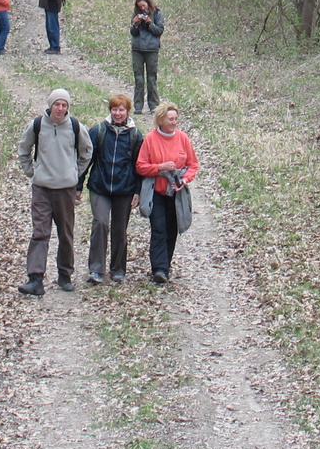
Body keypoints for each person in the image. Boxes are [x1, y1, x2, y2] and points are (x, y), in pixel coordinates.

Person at [15, 88, 93, 295]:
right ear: (50, 105)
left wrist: (75, 173)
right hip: (41, 188)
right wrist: (32, 172)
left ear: (68, 107)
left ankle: (65, 275)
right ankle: (35, 278)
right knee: (40, 232)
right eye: (57, 104)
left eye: (64, 105)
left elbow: (87, 151)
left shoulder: (76, 127)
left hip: (66, 189)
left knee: (65, 233)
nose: (60, 108)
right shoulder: (37, 125)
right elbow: (24, 150)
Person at [135, 102, 199, 284]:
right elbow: (141, 166)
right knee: (159, 229)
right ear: (160, 120)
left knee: (172, 230)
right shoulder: (151, 139)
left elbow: (193, 164)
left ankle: (165, 266)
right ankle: (159, 269)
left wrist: (185, 179)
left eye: (176, 119)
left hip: (176, 193)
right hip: (156, 191)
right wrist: (159, 168)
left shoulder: (183, 138)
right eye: (170, 119)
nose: (174, 122)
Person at [85, 94, 142, 284]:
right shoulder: (99, 130)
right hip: (99, 186)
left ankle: (118, 269)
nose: (118, 113)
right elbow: (87, 160)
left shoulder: (135, 135)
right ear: (110, 110)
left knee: (120, 229)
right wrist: (77, 185)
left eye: (121, 110)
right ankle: (96, 269)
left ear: (128, 112)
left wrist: (138, 191)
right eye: (115, 109)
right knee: (100, 223)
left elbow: (139, 165)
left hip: (124, 189)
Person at [129, 0, 165, 114]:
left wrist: (150, 23)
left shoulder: (158, 14)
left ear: (148, 3)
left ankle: (154, 106)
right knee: (138, 78)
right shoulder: (136, 14)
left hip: (152, 49)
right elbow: (133, 33)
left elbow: (159, 31)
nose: (143, 9)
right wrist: (135, 23)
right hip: (137, 49)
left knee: (151, 78)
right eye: (140, 7)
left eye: (144, 6)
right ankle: (138, 106)